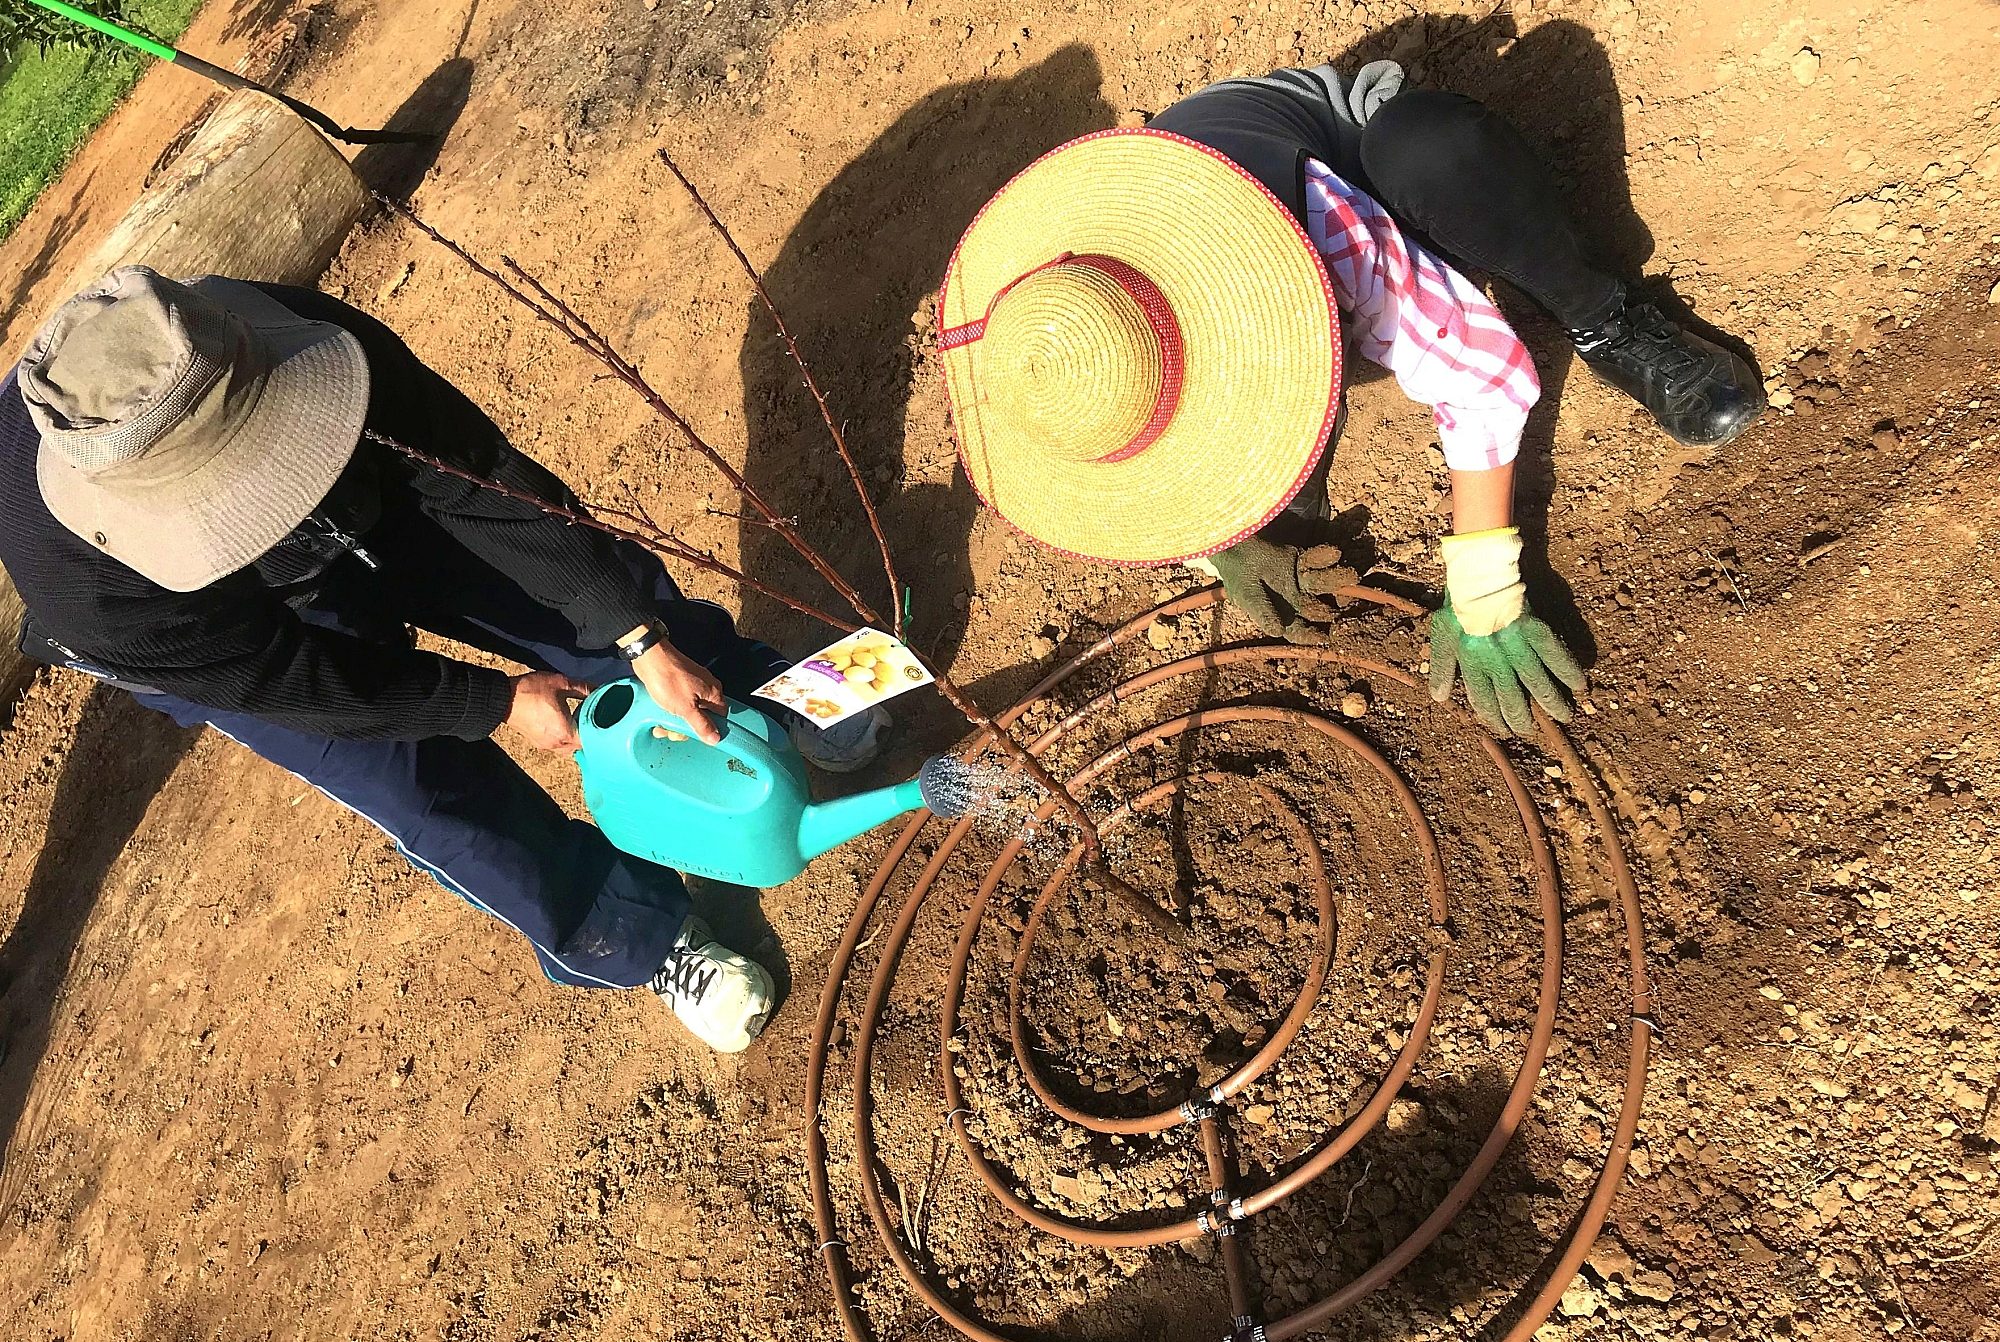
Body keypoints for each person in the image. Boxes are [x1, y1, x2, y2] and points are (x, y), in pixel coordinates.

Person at [0, 268, 878, 1052]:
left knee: (587, 611)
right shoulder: (85, 585)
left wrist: (638, 637)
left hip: (359, 491)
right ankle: (637, 933)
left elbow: (483, 486)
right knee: (423, 789)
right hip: (229, 634)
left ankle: (774, 695)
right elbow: (300, 683)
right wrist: (492, 701)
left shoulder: (291, 338)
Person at [935, 60, 1764, 736]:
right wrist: (1220, 544)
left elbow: (1487, 376)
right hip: (1172, 273)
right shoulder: (1043, 344)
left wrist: (1482, 581)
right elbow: (1112, 456)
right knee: (1270, 502)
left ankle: (1605, 317)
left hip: (1345, 161)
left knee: (1435, 153)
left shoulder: (1314, 231)